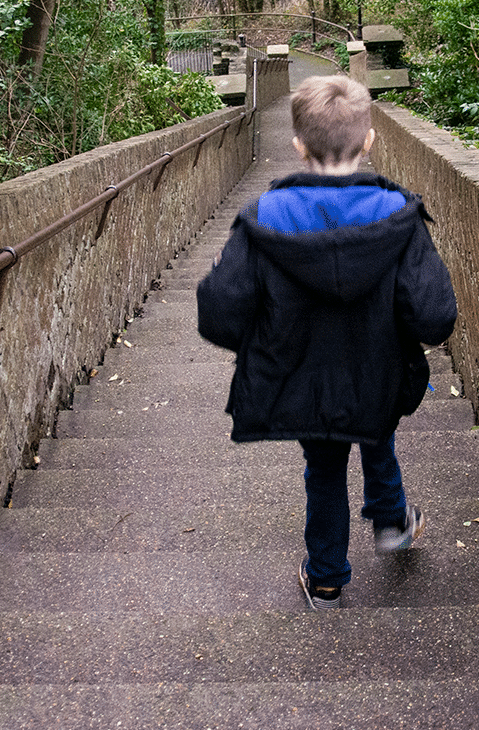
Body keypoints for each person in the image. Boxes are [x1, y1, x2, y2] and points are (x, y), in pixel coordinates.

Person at [196, 75, 457, 610]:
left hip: (301, 379)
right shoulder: (399, 216)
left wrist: (264, 341)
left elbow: (219, 312)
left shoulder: (264, 219)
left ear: (297, 145)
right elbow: (435, 316)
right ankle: (391, 522)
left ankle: (328, 578)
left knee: (324, 466)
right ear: (368, 142)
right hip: (379, 370)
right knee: (375, 427)